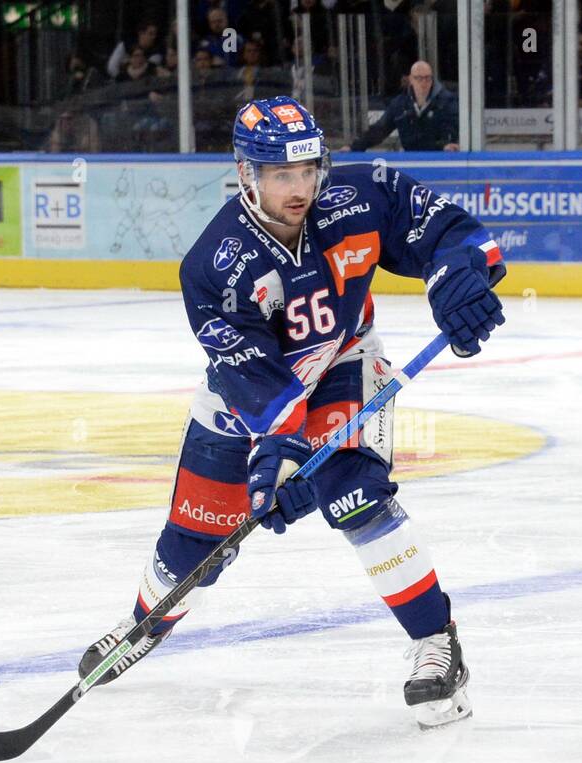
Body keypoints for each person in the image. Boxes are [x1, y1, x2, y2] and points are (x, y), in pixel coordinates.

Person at [78, 95, 506, 728]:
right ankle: (146, 623)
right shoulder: (212, 267)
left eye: (307, 170)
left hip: (340, 364)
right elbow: (253, 377)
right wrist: (279, 457)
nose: (299, 187)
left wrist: (458, 278)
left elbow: (447, 230)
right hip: (248, 399)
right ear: (247, 174)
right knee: (198, 536)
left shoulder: (361, 195)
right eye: (282, 175)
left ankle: (437, 643)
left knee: (355, 494)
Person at [341, 60, 459, 152]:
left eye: (427, 78)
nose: (424, 83)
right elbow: (381, 129)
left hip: (439, 157)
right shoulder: (400, 104)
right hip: (410, 158)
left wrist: (448, 143)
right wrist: (355, 147)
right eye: (419, 78)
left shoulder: (447, 102)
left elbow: (452, 127)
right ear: (411, 79)